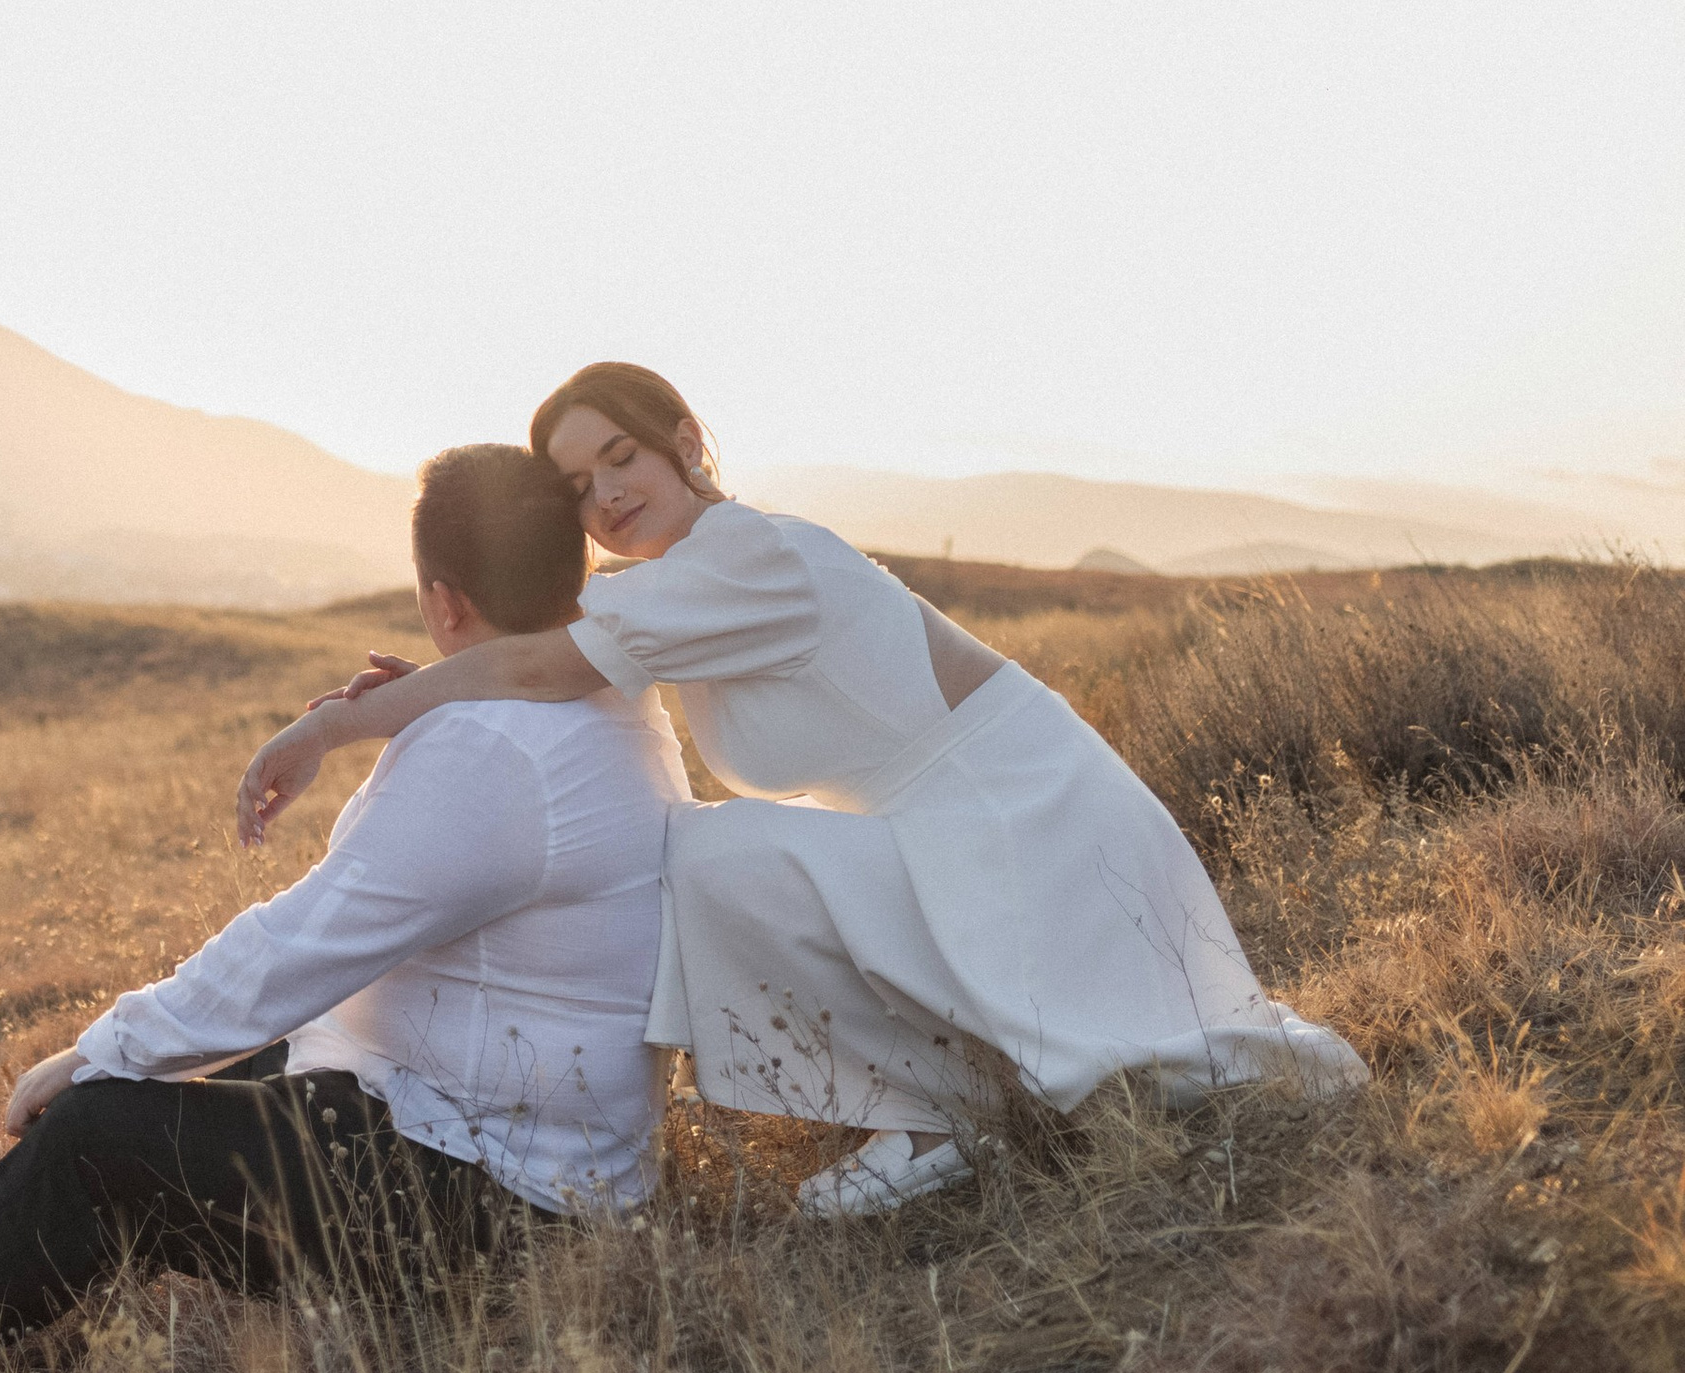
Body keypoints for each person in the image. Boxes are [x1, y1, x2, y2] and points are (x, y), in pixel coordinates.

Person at [238, 363, 1363, 1217]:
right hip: (956, 830)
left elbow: (538, 663)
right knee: (722, 854)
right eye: (580, 488)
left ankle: (931, 1114)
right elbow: (532, 651)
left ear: (685, 441)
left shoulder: (748, 557)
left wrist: (336, 726)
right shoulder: (687, 583)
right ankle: (942, 1103)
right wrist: (430, 686)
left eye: (622, 456)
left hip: (1028, 825)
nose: (607, 496)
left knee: (709, 855)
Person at [0, 442, 687, 1373]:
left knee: (98, 1124)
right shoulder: (608, 700)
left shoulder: (492, 751)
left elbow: (300, 946)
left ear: (443, 601)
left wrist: (99, 1047)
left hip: (492, 1206)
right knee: (201, 1086)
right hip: (526, 1153)